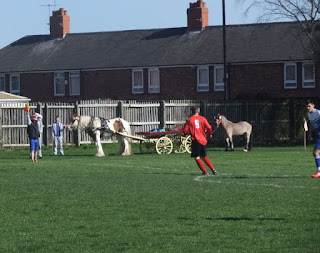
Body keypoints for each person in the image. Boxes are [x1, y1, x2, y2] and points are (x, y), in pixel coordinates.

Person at [183, 106, 217, 175]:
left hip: (196, 140)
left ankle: (205, 172)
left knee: (197, 157)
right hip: (203, 140)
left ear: (192, 111)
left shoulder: (189, 120)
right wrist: (210, 134)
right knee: (204, 156)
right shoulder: (203, 119)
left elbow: (185, 130)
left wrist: (185, 134)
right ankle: (213, 169)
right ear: (198, 111)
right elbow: (209, 127)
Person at [307, 100, 320, 178]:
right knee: (315, 153)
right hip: (318, 135)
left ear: (313, 105)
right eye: (307, 107)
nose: (308, 108)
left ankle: (319, 171)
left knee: (316, 153)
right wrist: (310, 134)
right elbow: (312, 125)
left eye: (309, 106)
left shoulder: (318, 113)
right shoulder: (309, 114)